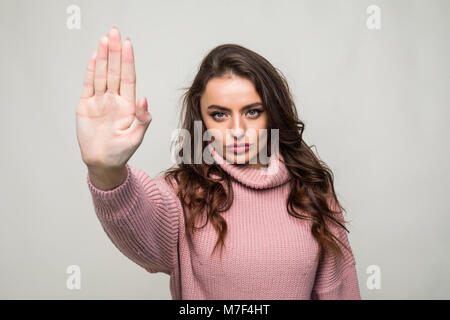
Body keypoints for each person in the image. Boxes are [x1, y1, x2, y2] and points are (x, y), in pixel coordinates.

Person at [76, 25, 361, 300]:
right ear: (202, 118)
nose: (237, 129)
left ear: (272, 112)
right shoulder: (181, 194)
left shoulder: (311, 189)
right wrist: (106, 170)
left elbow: (339, 291)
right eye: (220, 115)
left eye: (252, 112)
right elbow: (140, 223)